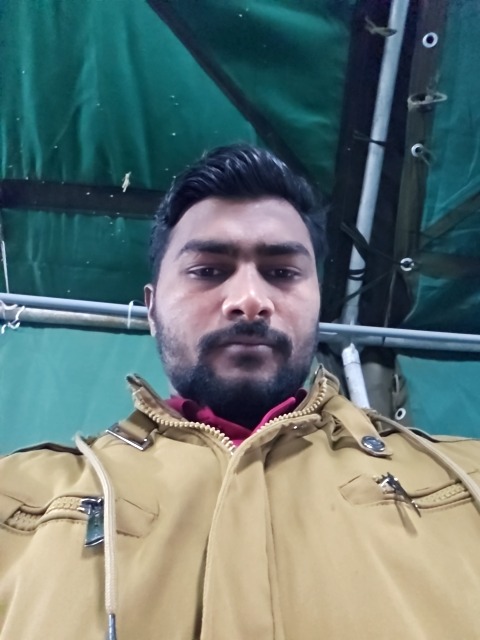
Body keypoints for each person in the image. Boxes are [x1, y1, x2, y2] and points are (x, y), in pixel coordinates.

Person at [1, 144, 480, 640]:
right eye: (208, 271)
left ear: (319, 303)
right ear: (152, 310)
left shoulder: (467, 480)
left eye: (281, 273)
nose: (250, 300)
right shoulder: (15, 498)